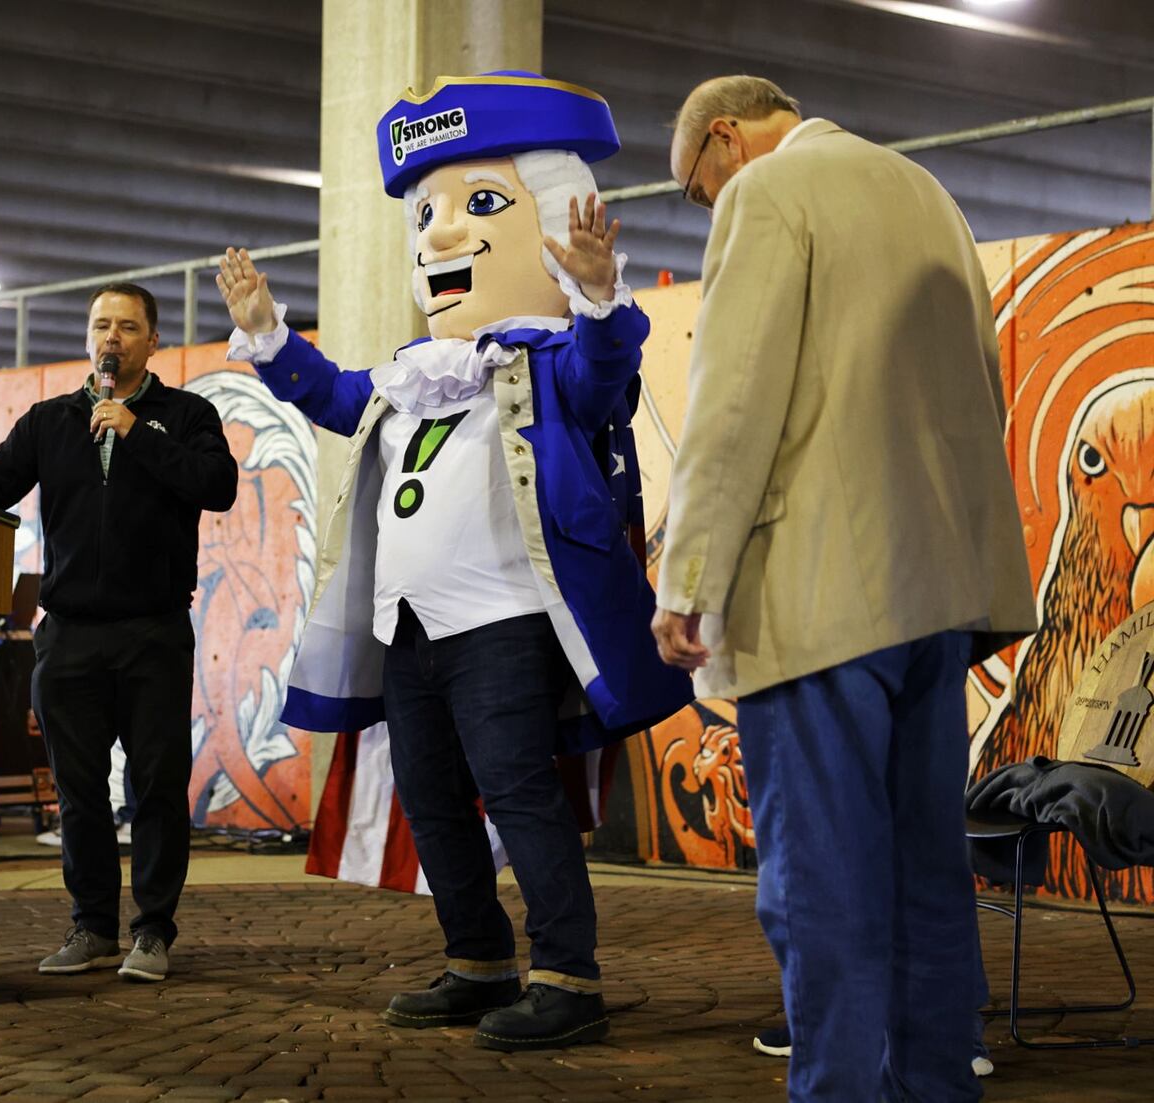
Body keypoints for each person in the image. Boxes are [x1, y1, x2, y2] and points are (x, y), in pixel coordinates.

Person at [219, 71, 692, 1052]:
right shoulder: (409, 378)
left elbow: (608, 377)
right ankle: (477, 957)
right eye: (427, 212)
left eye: (479, 207)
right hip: (411, 625)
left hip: (506, 620)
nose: (439, 233)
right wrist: (267, 330)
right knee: (430, 793)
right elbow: (332, 393)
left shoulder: (550, 360)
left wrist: (598, 295)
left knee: (518, 789)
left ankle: (568, 975)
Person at [653, 76, 1036, 1101]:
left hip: (820, 598)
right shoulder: (924, 192)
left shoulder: (768, 192)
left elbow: (734, 402)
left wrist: (688, 576)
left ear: (725, 138)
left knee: (819, 885)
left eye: (697, 189)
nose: (707, 208)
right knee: (926, 882)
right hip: (938, 594)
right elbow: (982, 384)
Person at [0, 282, 238, 983]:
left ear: (153, 341)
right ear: (87, 337)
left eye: (129, 326)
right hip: (68, 634)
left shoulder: (185, 414)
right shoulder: (50, 422)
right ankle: (92, 926)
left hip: (154, 631)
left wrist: (138, 434)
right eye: (102, 325)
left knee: (158, 786)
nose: (113, 337)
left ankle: (153, 931)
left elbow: (217, 484)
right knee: (79, 792)